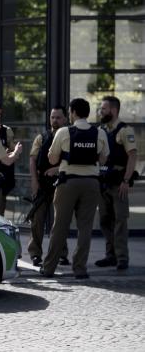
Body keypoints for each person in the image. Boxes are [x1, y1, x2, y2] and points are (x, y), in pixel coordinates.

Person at [40, 98, 109, 279]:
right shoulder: (99, 133)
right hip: (91, 183)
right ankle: (80, 269)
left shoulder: (64, 132)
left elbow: (53, 160)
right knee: (85, 228)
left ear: (73, 113)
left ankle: (49, 268)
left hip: (68, 182)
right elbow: (103, 160)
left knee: (60, 226)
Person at [95, 96, 138, 270]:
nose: (101, 111)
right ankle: (110, 255)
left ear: (113, 110)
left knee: (120, 220)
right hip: (103, 182)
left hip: (119, 182)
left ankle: (122, 258)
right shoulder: (101, 130)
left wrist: (126, 180)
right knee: (105, 220)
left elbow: (133, 156)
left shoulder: (124, 130)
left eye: (103, 109)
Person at [27, 106, 70, 267]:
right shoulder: (42, 137)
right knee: (37, 220)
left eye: (58, 117)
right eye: (53, 117)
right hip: (43, 184)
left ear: (65, 119)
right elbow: (32, 159)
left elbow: (72, 160)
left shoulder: (70, 136)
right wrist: (34, 181)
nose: (55, 120)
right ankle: (35, 254)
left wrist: (57, 169)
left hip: (63, 183)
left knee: (60, 221)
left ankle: (61, 254)